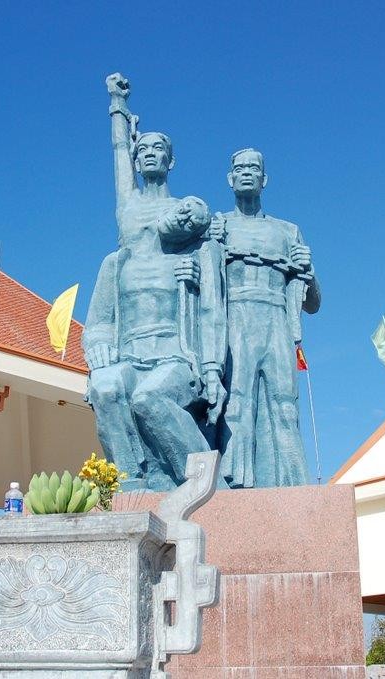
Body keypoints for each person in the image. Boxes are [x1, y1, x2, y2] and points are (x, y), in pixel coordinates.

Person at [82, 73, 226, 490]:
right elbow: (98, 323)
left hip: (175, 356)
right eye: (142, 149)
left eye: (157, 149)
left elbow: (213, 310)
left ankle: (204, 484)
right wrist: (117, 106)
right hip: (130, 353)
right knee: (105, 387)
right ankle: (131, 485)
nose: (148, 154)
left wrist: (212, 369)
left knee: (148, 399)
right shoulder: (123, 233)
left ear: (171, 161)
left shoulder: (191, 239)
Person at [211, 148, 320, 487]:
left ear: (264, 179)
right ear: (230, 179)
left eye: (253, 168)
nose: (246, 172)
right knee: (237, 403)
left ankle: (295, 485)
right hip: (235, 319)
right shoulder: (218, 226)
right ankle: (237, 484)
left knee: (286, 405)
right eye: (240, 168)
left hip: (276, 320)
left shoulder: (288, 231)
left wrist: (308, 271)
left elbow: (313, 303)